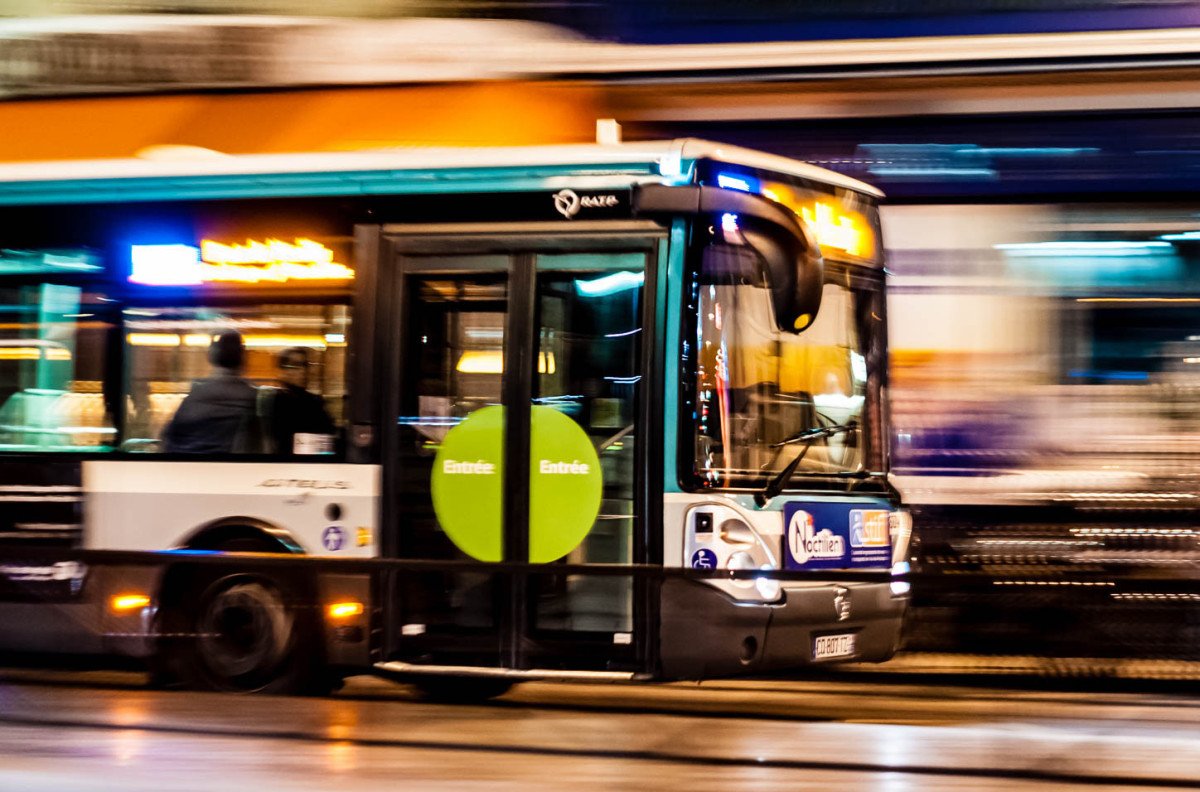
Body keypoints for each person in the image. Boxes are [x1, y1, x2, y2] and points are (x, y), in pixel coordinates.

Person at [162, 330, 262, 454]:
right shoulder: (253, 397)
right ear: (244, 358)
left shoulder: (195, 397)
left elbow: (169, 438)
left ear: (212, 356)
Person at [269, 346, 335, 455]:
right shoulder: (273, 401)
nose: (303, 371)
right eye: (295, 366)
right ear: (282, 371)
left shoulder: (315, 403)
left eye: (305, 365)